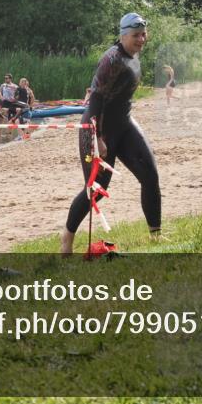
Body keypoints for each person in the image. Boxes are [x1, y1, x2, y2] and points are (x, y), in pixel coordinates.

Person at [60, 13, 161, 255]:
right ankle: (67, 238)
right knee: (96, 188)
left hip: (124, 124)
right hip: (98, 128)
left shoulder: (133, 56)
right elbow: (95, 100)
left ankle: (156, 236)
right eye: (136, 35)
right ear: (123, 35)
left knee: (150, 175)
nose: (141, 39)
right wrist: (97, 137)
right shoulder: (111, 59)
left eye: (143, 34)